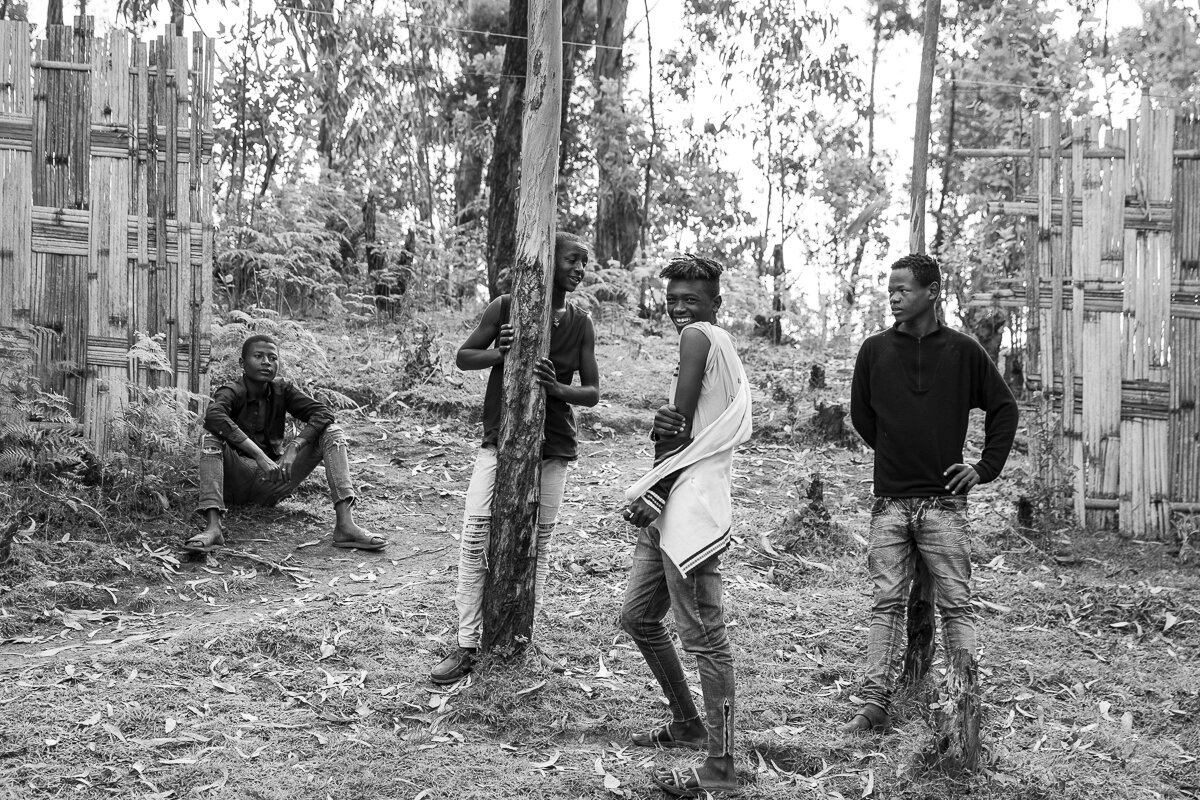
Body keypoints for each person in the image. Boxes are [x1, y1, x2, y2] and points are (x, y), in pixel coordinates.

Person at [843, 252, 1018, 734]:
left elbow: (1004, 408)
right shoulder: (874, 350)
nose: (894, 298)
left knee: (956, 603)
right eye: (890, 290)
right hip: (890, 502)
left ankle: (965, 702)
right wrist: (898, 451)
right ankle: (874, 701)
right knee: (886, 603)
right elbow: (863, 416)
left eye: (903, 289)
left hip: (945, 504)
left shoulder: (963, 351)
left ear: (932, 292)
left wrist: (983, 468)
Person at [430, 232, 600, 685]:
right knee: (475, 535)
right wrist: (500, 352)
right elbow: (465, 356)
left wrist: (557, 388)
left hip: (554, 445)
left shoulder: (581, 323)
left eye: (584, 262)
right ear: (548, 263)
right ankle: (467, 644)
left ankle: (521, 636)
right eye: (572, 260)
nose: (579, 269)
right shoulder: (505, 307)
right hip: (499, 439)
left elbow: (593, 392)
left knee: (538, 544)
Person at [620, 255, 752, 798]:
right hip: (675, 501)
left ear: (715, 305)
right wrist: (661, 452)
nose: (679, 310)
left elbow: (677, 435)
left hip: (688, 509)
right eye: (672, 299)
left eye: (690, 299)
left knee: (706, 639)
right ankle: (688, 723)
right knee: (638, 617)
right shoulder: (721, 350)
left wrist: (652, 492)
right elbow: (678, 430)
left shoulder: (700, 336)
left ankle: (721, 767)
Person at [186, 335, 386, 553]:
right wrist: (259, 456)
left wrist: (294, 446)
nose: (266, 362)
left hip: (273, 479)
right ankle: (213, 527)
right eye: (259, 356)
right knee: (211, 437)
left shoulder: (283, 390)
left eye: (273, 358)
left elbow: (323, 413)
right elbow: (213, 416)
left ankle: (345, 524)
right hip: (235, 480)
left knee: (332, 432)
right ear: (242, 363)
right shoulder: (231, 391)